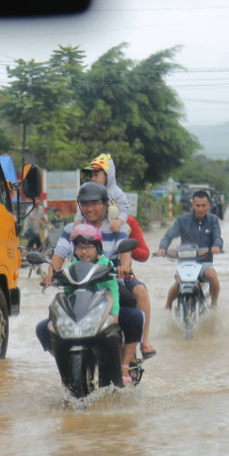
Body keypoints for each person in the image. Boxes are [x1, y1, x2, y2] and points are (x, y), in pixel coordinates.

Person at [42, 182, 143, 384]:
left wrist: (123, 266)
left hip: (108, 281)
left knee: (133, 314)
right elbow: (59, 255)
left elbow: (126, 255)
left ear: (105, 204)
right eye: (85, 204)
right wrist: (50, 273)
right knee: (45, 328)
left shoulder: (116, 227)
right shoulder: (71, 229)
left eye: (95, 203)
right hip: (77, 286)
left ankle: (126, 363)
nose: (90, 208)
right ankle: (66, 361)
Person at [156, 189, 223, 309]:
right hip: (185, 263)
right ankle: (168, 307)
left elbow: (217, 237)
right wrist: (162, 248)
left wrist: (217, 246)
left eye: (203, 205)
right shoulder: (182, 221)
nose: (201, 209)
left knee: (213, 276)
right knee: (177, 284)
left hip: (204, 263)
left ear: (208, 205)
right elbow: (169, 236)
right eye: (198, 205)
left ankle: (214, 304)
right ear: (192, 205)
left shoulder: (213, 220)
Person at [124, 214, 156, 359]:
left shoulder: (127, 223)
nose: (91, 208)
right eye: (87, 203)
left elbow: (144, 254)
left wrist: (128, 248)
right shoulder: (83, 224)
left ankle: (144, 340)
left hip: (121, 277)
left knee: (140, 291)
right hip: (89, 277)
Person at [73, 153, 130, 232]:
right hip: (91, 228)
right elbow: (80, 209)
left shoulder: (116, 192)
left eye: (96, 175)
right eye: (91, 175)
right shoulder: (88, 192)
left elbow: (125, 209)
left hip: (112, 229)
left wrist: (120, 221)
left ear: (108, 175)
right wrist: (78, 221)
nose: (93, 178)